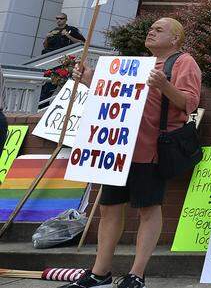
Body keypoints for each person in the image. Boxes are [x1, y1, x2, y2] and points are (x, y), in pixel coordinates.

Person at [61, 18, 202, 288]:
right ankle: (100, 273)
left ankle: (137, 275)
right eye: (151, 28)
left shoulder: (183, 63)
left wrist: (164, 85)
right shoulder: (138, 65)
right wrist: (89, 79)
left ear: (175, 39)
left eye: (159, 30)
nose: (151, 31)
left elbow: (189, 103)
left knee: (149, 208)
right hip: (117, 149)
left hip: (151, 150)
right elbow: (113, 95)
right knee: (109, 208)